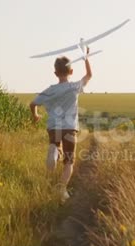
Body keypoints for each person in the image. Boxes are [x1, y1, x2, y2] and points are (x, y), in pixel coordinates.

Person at [30, 49, 92, 201]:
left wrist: (36, 115)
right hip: (70, 127)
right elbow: (89, 75)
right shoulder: (74, 87)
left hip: (53, 127)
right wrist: (86, 58)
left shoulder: (50, 91)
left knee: (55, 145)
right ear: (71, 70)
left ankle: (55, 149)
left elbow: (33, 104)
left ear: (55, 73)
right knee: (69, 161)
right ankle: (61, 188)